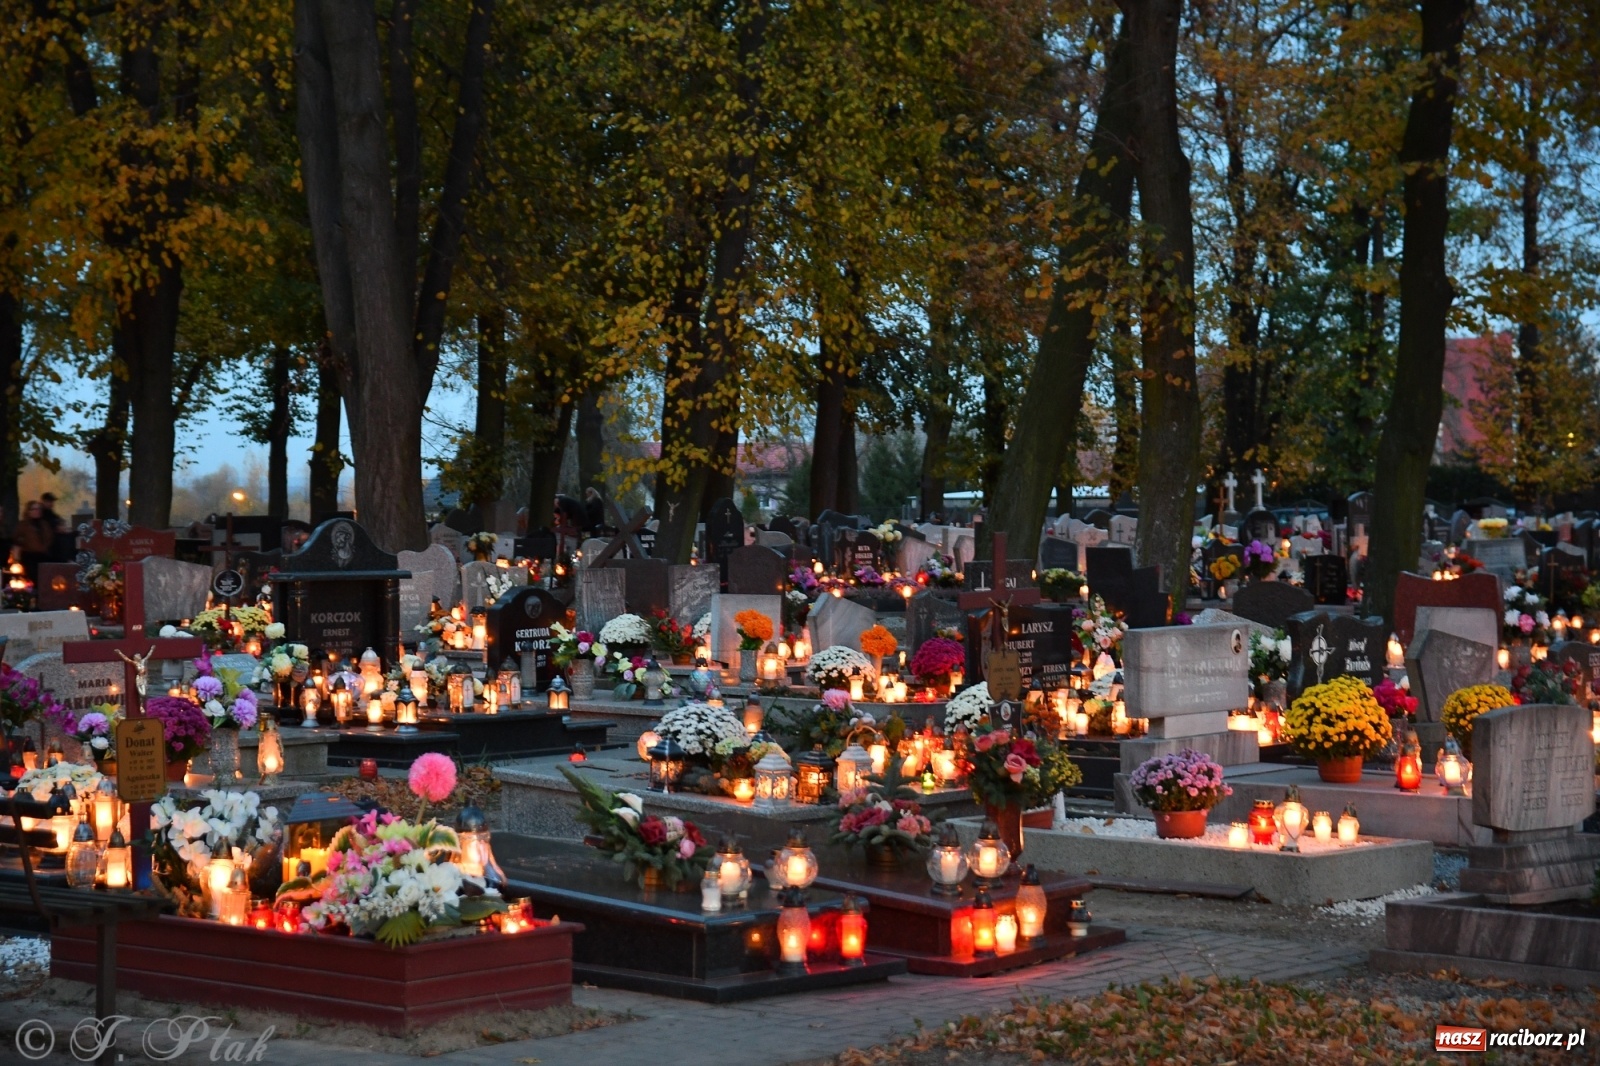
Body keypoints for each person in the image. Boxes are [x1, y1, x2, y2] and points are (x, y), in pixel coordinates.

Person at [15, 500, 53, 583]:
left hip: (43, 556)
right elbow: (17, 542)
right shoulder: (23, 525)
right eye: (34, 509)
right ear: (29, 511)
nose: (37, 511)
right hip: (29, 557)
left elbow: (49, 539)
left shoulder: (44, 525)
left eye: (39, 509)